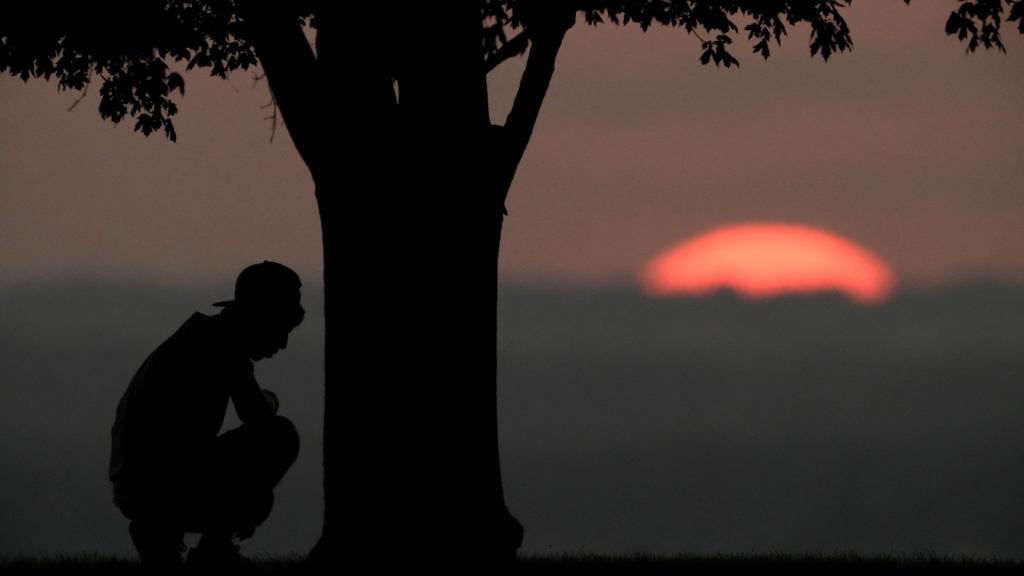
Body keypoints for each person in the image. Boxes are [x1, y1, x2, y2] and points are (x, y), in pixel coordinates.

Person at [109, 261, 304, 566]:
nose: (282, 343)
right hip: (159, 487)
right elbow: (257, 416)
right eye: (280, 327)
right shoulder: (223, 346)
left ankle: (162, 533)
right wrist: (270, 401)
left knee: (254, 495)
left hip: (136, 488)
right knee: (280, 437)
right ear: (261, 316)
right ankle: (211, 550)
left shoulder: (199, 338)